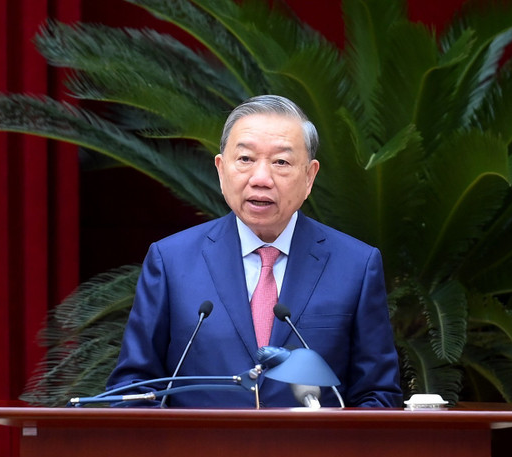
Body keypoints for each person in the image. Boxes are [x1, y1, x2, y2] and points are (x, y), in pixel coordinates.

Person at [106, 95, 402, 407]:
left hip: (312, 454)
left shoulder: (356, 265)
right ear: (221, 170)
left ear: (310, 176)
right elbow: (134, 388)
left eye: (281, 162)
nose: (261, 179)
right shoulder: (170, 261)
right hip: (199, 454)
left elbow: (378, 395)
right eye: (245, 159)